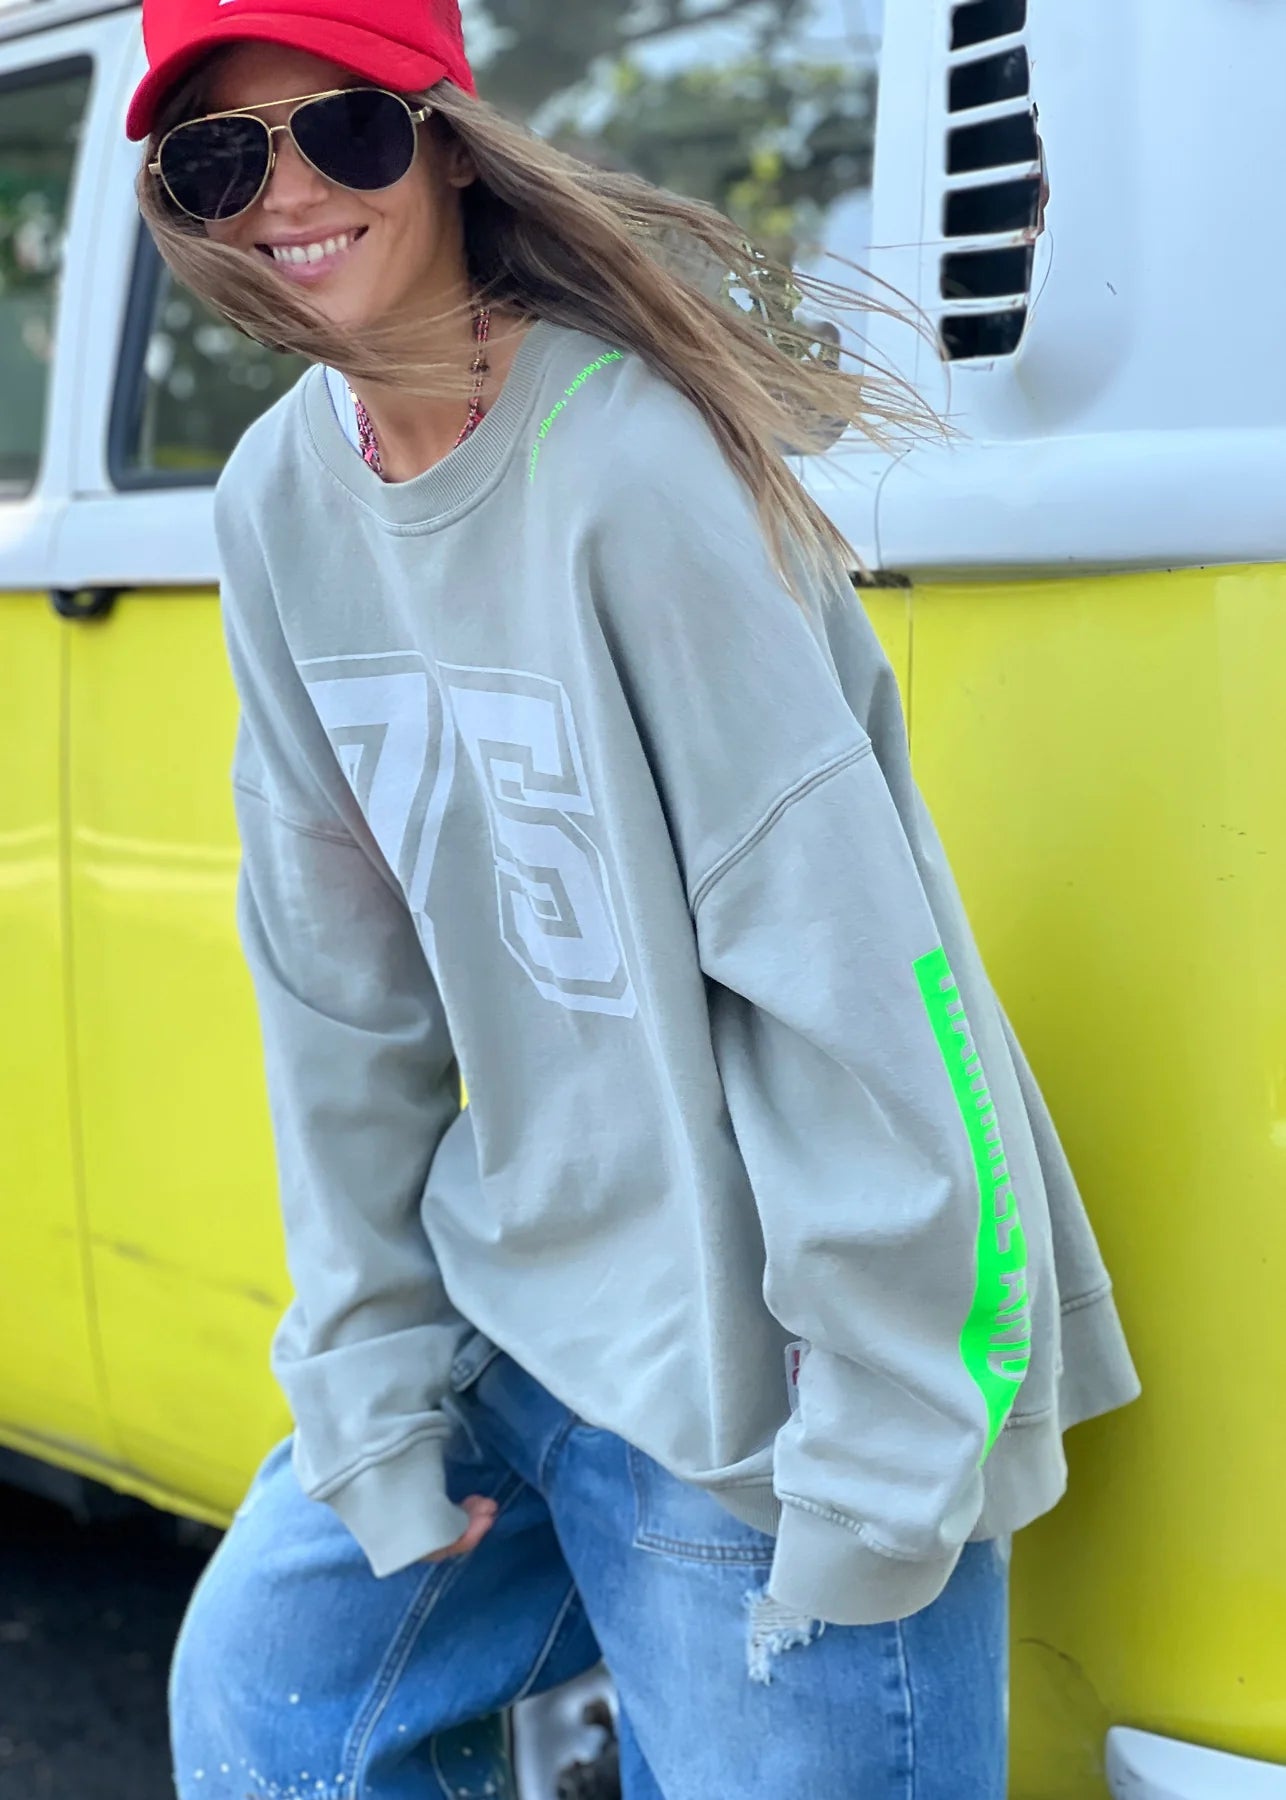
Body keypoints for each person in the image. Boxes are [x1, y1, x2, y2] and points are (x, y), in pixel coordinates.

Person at [127, 2, 1140, 1795]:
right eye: (220, 158)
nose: (285, 194)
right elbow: (337, 989)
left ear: (446, 140)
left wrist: (880, 1450)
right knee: (265, 1713)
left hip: (779, 1361)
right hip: (524, 1310)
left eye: (341, 130)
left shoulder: (628, 467)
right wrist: (369, 1389)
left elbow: (852, 974)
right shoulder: (279, 495)